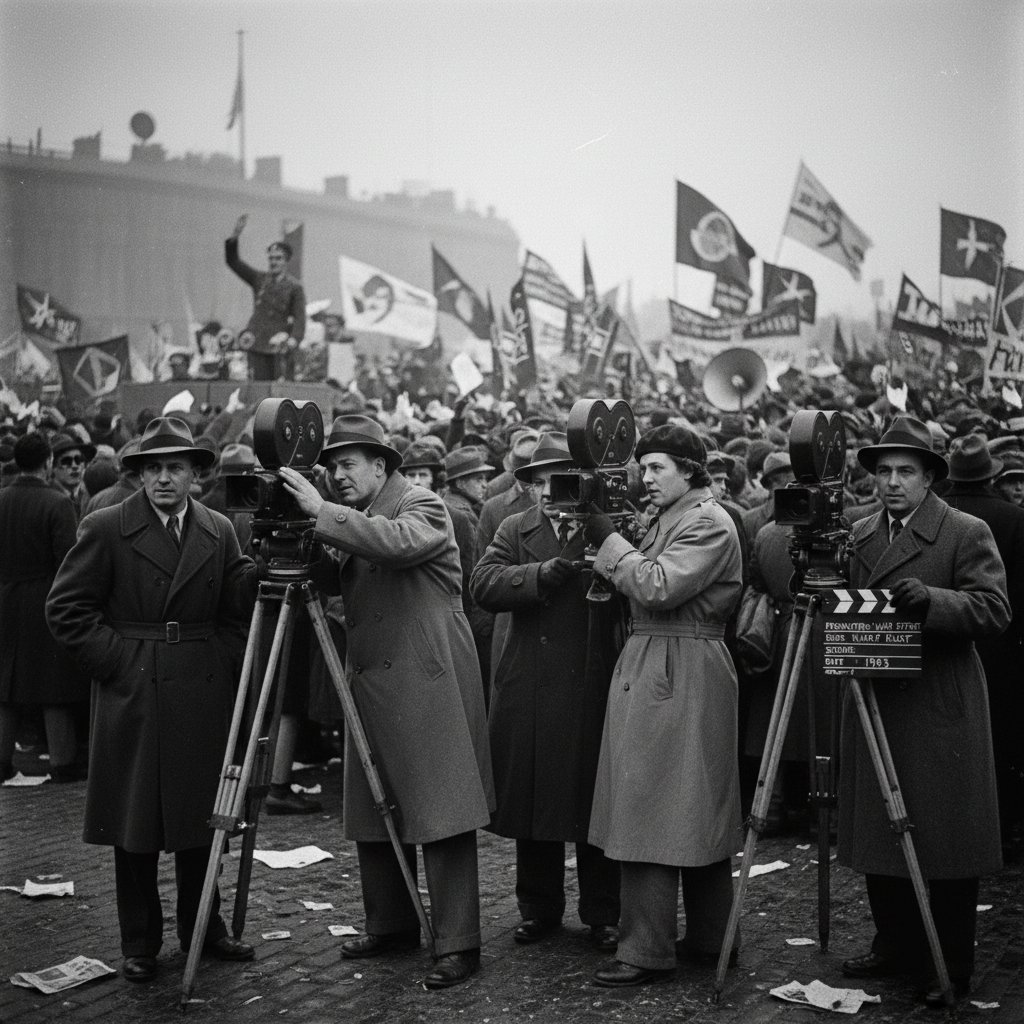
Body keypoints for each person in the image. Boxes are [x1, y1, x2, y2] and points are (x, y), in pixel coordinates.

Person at [278, 414, 494, 990]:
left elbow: (394, 546)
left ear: (381, 464)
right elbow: (338, 571)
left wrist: (322, 514)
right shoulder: (357, 515)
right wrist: (291, 538)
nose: (337, 476)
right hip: (373, 677)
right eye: (331, 467)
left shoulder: (421, 504)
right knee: (374, 808)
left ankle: (458, 942)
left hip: (428, 679)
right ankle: (392, 924)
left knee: (441, 809)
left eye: (348, 465)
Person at [46, 417, 258, 983]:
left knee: (202, 819)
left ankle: (205, 929)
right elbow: (66, 610)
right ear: (139, 474)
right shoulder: (107, 525)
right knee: (135, 821)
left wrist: (223, 660)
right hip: (134, 689)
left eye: (175, 468)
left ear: (195, 475)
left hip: (200, 690)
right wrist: (121, 664)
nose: (164, 479)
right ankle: (139, 940)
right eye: (153, 468)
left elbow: (240, 610)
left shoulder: (219, 528)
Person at [837, 416, 1010, 1007]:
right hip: (876, 698)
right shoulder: (858, 532)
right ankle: (895, 945)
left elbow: (993, 610)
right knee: (880, 829)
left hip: (939, 703)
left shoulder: (965, 530)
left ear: (930, 477)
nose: (891, 482)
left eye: (905, 471)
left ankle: (950, 964)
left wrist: (934, 602)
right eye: (883, 471)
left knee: (945, 839)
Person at [583, 424, 744, 987]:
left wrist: (608, 540)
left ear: (691, 471)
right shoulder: (677, 516)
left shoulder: (706, 521)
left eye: (657, 468)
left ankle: (645, 950)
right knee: (689, 805)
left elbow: (656, 587)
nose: (644, 478)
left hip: (681, 663)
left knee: (651, 804)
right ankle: (709, 937)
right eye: (643, 467)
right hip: (663, 660)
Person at [470, 431, 623, 954]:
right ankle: (538, 909)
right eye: (539, 482)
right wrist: (539, 574)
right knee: (534, 804)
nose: (549, 492)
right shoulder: (515, 527)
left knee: (593, 800)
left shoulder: (607, 526)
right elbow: (483, 585)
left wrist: (600, 536)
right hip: (530, 681)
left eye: (561, 480)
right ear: (528, 487)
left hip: (594, 678)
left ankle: (604, 912)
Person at [933, 434, 1024, 863]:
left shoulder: (937, 518)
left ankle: (946, 828)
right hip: (1001, 646)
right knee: (1000, 740)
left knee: (945, 744)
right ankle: (1001, 830)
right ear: (991, 475)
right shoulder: (1013, 518)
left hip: (938, 642)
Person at [0, 433, 89, 782]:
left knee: (4, 686)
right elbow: (69, 560)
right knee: (55, 684)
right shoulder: (57, 503)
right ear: (48, 462)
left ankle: (2, 761)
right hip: (46, 599)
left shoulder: (1, 498)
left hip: (5, 599)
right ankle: (63, 763)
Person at [225, 214, 306, 381]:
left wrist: (293, 340)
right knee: (256, 387)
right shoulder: (259, 280)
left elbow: (300, 319)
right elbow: (234, 262)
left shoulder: (295, 287)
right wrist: (235, 236)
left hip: (278, 344)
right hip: (256, 341)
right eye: (271, 258)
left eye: (278, 258)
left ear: (286, 261)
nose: (274, 262)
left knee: (278, 389)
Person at [50, 432, 96, 521]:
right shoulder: (50, 498)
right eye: (66, 461)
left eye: (78, 460)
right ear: (53, 467)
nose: (74, 466)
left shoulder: (86, 495)